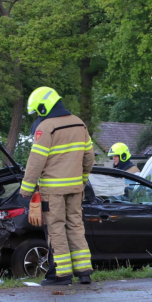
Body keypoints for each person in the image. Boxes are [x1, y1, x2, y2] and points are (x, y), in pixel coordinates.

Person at [19, 86, 95, 286]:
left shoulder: (46, 127)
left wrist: (26, 189)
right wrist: (82, 179)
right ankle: (84, 272)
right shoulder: (79, 123)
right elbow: (89, 157)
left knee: (56, 229)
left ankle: (62, 275)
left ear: (43, 107)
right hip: (75, 188)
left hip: (53, 190)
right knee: (76, 226)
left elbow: (36, 161)